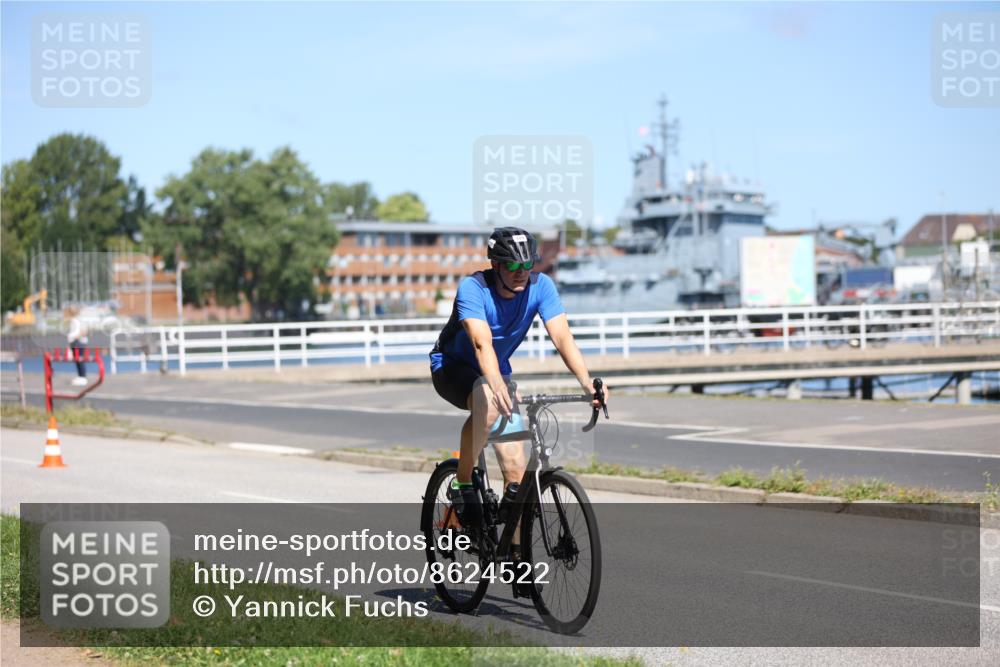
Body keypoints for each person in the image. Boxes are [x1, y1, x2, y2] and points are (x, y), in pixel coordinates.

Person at [429, 227, 609, 533]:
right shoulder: (473, 288)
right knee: (487, 400)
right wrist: (497, 385)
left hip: (496, 371)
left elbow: (563, 337)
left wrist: (587, 383)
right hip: (452, 367)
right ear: (496, 264)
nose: (521, 272)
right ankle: (461, 486)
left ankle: (515, 563)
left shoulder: (542, 286)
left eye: (528, 265)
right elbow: (481, 343)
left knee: (516, 474)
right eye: (513, 265)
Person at [66, 306, 89, 386]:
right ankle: (80, 376)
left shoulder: (79, 320)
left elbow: (84, 331)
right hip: (74, 342)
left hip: (78, 342)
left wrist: (76, 337)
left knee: (80, 359)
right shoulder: (73, 320)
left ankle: (83, 377)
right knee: (76, 359)